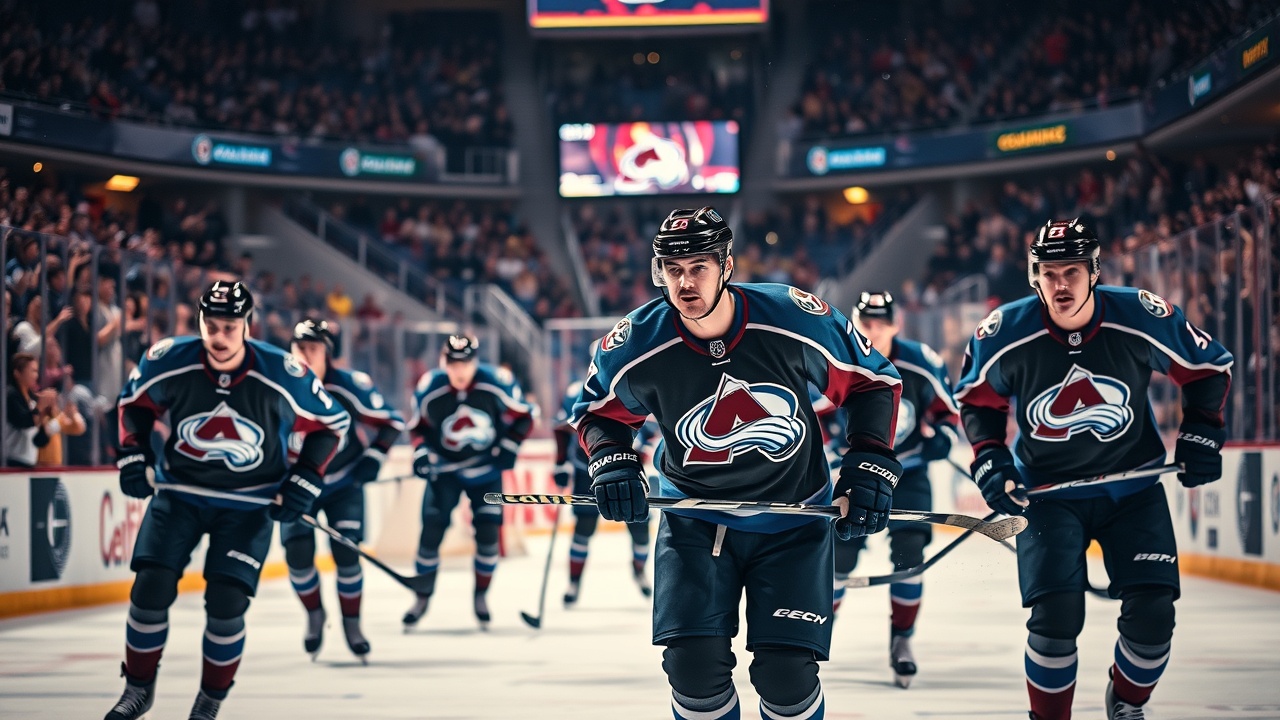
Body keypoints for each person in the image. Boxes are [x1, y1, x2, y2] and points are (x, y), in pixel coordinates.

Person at [570, 207, 903, 720]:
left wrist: (868, 461)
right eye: (673, 270)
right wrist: (612, 461)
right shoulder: (637, 341)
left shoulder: (792, 316)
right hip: (694, 522)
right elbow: (598, 414)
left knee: (786, 677)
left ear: (726, 266)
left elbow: (870, 382)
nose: (685, 283)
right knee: (692, 670)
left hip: (794, 522)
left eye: (698, 267)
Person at [954, 220, 1232, 720]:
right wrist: (991, 457)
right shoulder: (1004, 331)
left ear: (1094, 271)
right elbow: (978, 400)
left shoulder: (1139, 315)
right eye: (1049, 273)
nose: (1061, 285)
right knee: (1055, 618)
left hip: (1133, 489)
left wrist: (1200, 431)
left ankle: (1127, 702)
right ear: (1034, 277)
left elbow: (1208, 368)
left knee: (1154, 616)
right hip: (1045, 496)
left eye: (1072, 272)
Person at [106, 281, 350, 720]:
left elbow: (331, 425)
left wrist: (306, 479)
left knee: (226, 603)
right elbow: (134, 404)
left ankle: (209, 701)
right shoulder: (169, 359)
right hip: (180, 495)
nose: (219, 337)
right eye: (211, 326)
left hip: (248, 507)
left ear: (247, 326)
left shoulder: (282, 373)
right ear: (200, 321)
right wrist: (133, 453)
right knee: (149, 590)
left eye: (230, 327)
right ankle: (137, 690)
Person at [828, 290, 958, 689]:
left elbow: (948, 413)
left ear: (896, 324)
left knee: (909, 555)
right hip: (853, 476)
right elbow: (812, 412)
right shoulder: (837, 356)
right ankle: (818, 629)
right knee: (839, 555)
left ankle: (902, 639)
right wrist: (825, 445)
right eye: (866, 323)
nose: (874, 331)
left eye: (881, 324)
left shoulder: (920, 362)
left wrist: (943, 438)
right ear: (855, 323)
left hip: (908, 473)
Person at [281, 318, 404, 661]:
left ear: (327, 354)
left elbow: (392, 422)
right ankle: (314, 615)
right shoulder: (277, 383)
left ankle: (352, 624)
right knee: (297, 556)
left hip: (343, 484)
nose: (305, 355)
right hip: (295, 486)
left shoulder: (350, 386)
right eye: (300, 348)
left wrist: (374, 457)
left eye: (313, 349)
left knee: (347, 554)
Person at [404, 335, 536, 630]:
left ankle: (481, 596)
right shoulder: (430, 387)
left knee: (488, 534)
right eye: (453, 363)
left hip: (486, 473)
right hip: (444, 473)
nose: (459, 370)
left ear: (475, 362)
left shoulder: (496, 382)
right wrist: (421, 452)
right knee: (431, 531)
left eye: (464, 363)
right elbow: (417, 428)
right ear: (443, 362)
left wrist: (510, 445)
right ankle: (422, 597)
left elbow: (526, 416)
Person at [552, 369, 657, 606]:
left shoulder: (637, 381)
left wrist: (646, 449)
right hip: (587, 470)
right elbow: (562, 428)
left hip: (628, 468)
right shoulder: (577, 391)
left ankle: (639, 570)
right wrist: (560, 464)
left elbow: (652, 428)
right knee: (584, 526)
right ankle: (574, 582)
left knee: (639, 524)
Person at [3, 352, 58, 468]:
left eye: (36, 371)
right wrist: (40, 407)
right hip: (11, 460)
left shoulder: (33, 399)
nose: (36, 375)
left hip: (29, 461)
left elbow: (40, 440)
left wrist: (45, 414)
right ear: (17, 373)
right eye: (32, 371)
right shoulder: (10, 395)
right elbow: (23, 422)